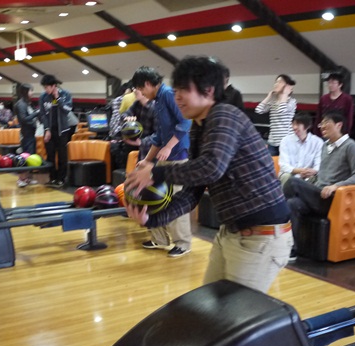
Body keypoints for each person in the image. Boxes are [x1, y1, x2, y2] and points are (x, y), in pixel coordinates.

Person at [125, 56, 292, 292]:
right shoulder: (199, 128)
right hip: (231, 234)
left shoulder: (225, 115)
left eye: (184, 89)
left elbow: (211, 167)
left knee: (233, 312)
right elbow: (192, 192)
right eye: (176, 89)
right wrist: (153, 219)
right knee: (211, 305)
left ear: (209, 90)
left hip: (262, 237)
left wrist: (157, 172)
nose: (177, 96)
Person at [284, 112, 355, 261]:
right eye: (321, 123)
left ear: (339, 125)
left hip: (331, 199)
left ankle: (273, 220)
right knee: (292, 204)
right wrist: (310, 181)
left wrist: (336, 186)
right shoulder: (326, 146)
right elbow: (322, 174)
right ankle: (292, 249)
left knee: (292, 182)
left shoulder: (350, 146)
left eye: (326, 123)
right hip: (317, 194)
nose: (322, 127)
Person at [130, 66, 193, 258]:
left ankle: (183, 243)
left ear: (148, 84)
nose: (141, 94)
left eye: (141, 89)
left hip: (178, 157)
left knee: (175, 200)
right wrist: (146, 160)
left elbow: (186, 122)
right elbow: (159, 135)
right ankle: (160, 239)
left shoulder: (168, 95)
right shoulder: (157, 100)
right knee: (152, 197)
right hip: (164, 159)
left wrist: (169, 147)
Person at [39, 74, 78, 188]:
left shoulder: (65, 94)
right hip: (49, 131)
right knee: (50, 156)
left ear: (54, 86)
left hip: (63, 131)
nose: (45, 90)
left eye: (47, 87)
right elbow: (42, 115)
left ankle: (61, 179)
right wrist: (47, 129)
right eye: (44, 87)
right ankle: (52, 178)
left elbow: (67, 110)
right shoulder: (43, 97)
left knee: (62, 156)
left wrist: (58, 98)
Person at [278, 112, 323, 188]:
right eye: (293, 124)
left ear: (307, 126)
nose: (294, 127)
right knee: (286, 176)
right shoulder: (285, 141)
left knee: (317, 178)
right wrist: (300, 171)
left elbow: (318, 164)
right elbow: (284, 165)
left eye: (298, 124)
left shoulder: (318, 142)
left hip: (309, 175)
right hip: (290, 173)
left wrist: (312, 171)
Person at [255, 74, 296, 156]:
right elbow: (258, 110)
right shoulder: (273, 102)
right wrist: (269, 96)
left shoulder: (291, 102)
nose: (276, 84)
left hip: (286, 141)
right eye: (276, 82)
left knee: (284, 164)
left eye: (280, 82)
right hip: (272, 141)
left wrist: (285, 94)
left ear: (286, 86)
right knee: (271, 163)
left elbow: (281, 111)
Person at [14, 83, 41, 187]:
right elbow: (24, 119)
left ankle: (27, 178)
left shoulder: (27, 103)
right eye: (30, 91)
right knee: (25, 156)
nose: (32, 93)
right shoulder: (21, 104)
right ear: (25, 92)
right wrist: (36, 113)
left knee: (31, 156)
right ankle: (21, 178)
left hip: (31, 133)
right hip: (26, 134)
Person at [121, 88, 156, 162]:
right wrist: (126, 117)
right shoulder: (137, 104)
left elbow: (159, 135)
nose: (134, 90)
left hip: (150, 151)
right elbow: (125, 114)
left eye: (137, 88)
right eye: (134, 88)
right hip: (138, 148)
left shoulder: (155, 107)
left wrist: (141, 142)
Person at [315, 72, 354, 136]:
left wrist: (346, 132)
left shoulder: (347, 99)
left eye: (333, 83)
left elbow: (349, 117)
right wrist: (317, 131)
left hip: (339, 131)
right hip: (325, 130)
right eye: (329, 83)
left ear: (340, 85)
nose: (330, 85)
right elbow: (319, 116)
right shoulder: (323, 98)